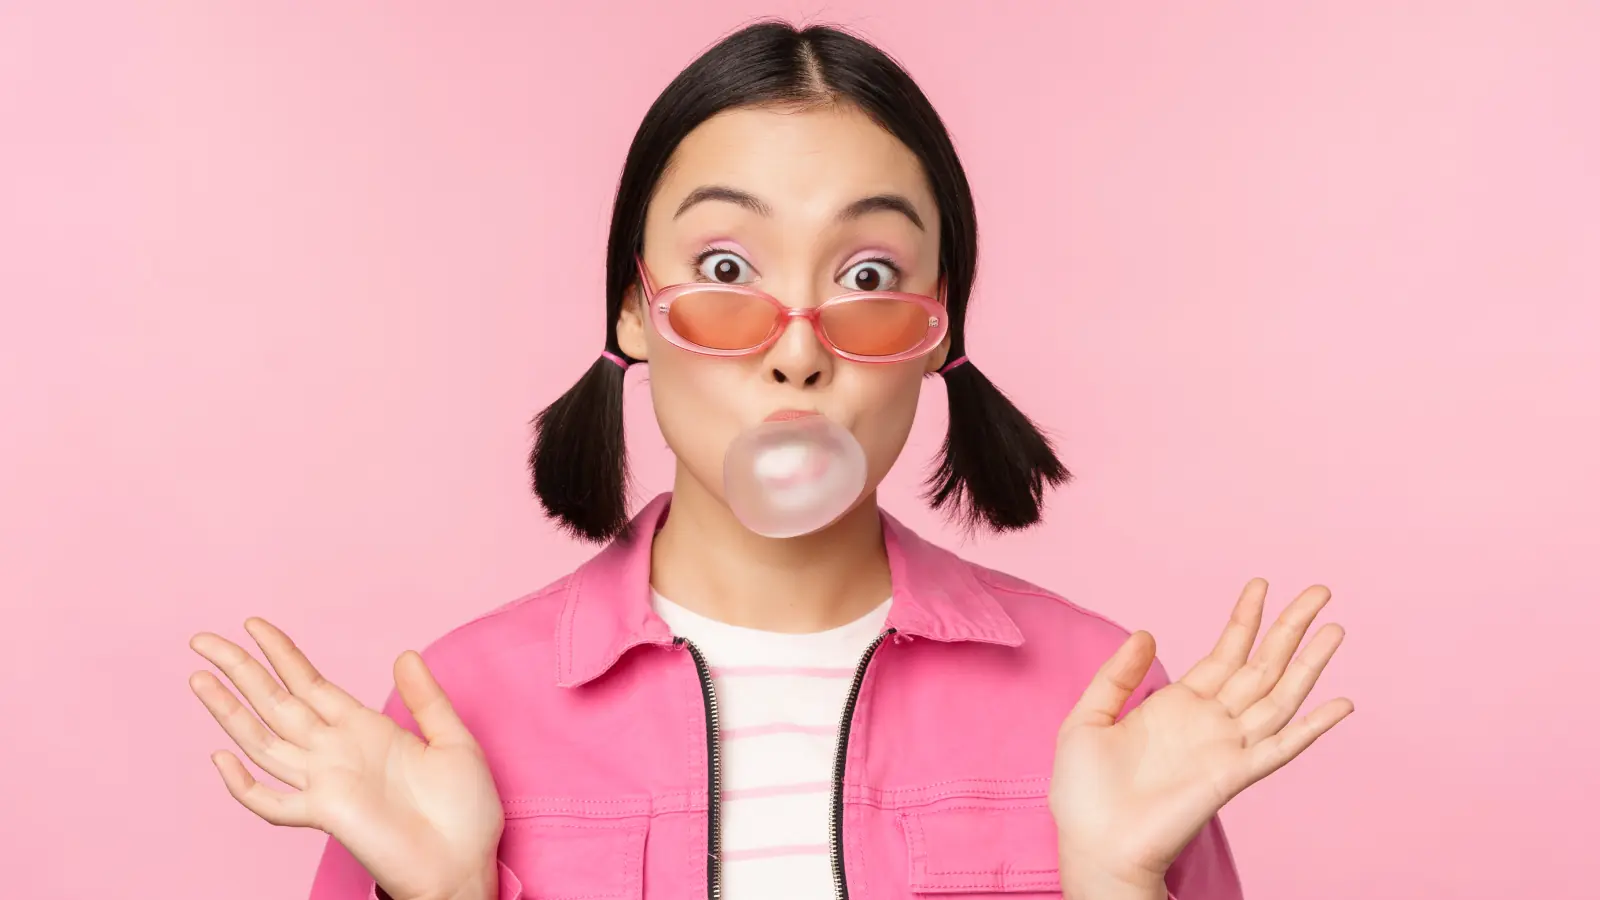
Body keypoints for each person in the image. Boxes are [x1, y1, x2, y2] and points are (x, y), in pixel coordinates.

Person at [188, 20, 1352, 900]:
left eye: (865, 277)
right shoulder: (450, 714)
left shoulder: (1101, 707)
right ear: (632, 311)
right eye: (729, 271)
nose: (798, 353)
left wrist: (1112, 887)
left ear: (938, 327)